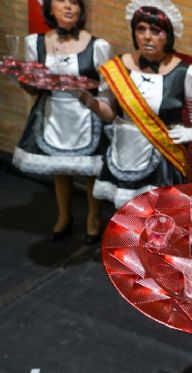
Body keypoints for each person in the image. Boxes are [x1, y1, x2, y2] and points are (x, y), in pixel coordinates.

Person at [82, 0, 192, 208]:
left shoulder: (184, 72)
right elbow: (109, 114)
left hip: (163, 154)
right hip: (124, 148)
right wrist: (84, 97)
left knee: (155, 213)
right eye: (141, 29)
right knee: (122, 212)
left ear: (168, 35)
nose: (147, 36)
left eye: (156, 30)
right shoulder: (117, 68)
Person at [12, 0, 112, 243]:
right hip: (52, 114)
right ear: (49, 9)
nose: (69, 7)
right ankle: (64, 217)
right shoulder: (34, 43)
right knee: (59, 169)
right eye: (62, 1)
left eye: (74, 2)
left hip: (86, 115)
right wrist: (21, 77)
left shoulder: (98, 45)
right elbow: (34, 89)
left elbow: (106, 91)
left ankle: (93, 218)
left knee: (91, 172)